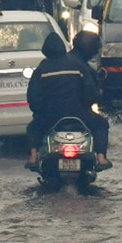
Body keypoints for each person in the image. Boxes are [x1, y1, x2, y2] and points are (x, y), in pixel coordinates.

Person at [26, 32, 111, 170]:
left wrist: (40, 113)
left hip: (50, 117)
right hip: (80, 115)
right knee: (101, 125)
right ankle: (101, 158)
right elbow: (91, 94)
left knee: (32, 128)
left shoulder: (42, 69)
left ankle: (33, 157)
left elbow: (33, 99)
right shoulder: (78, 66)